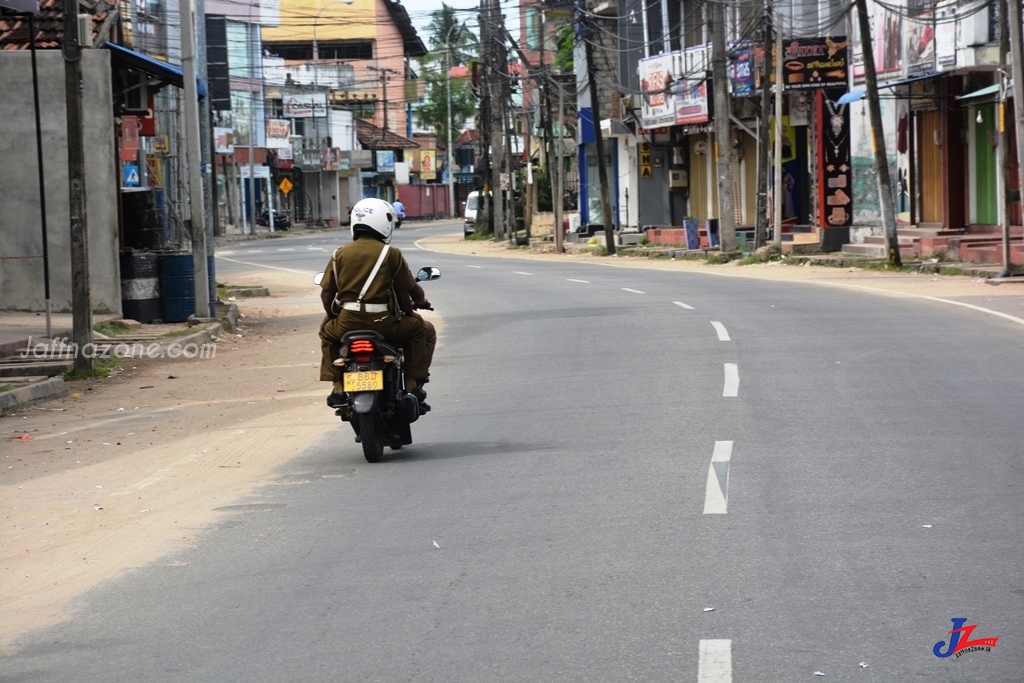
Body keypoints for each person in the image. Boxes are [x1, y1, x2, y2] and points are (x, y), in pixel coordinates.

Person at [319, 198, 432, 409]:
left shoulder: (338, 255)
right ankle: (413, 384)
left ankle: (337, 388)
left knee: (326, 333)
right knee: (418, 330)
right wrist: (411, 313)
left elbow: (326, 296)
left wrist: (332, 316)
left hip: (347, 323)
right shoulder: (391, 254)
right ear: (384, 223)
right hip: (384, 322)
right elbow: (404, 293)